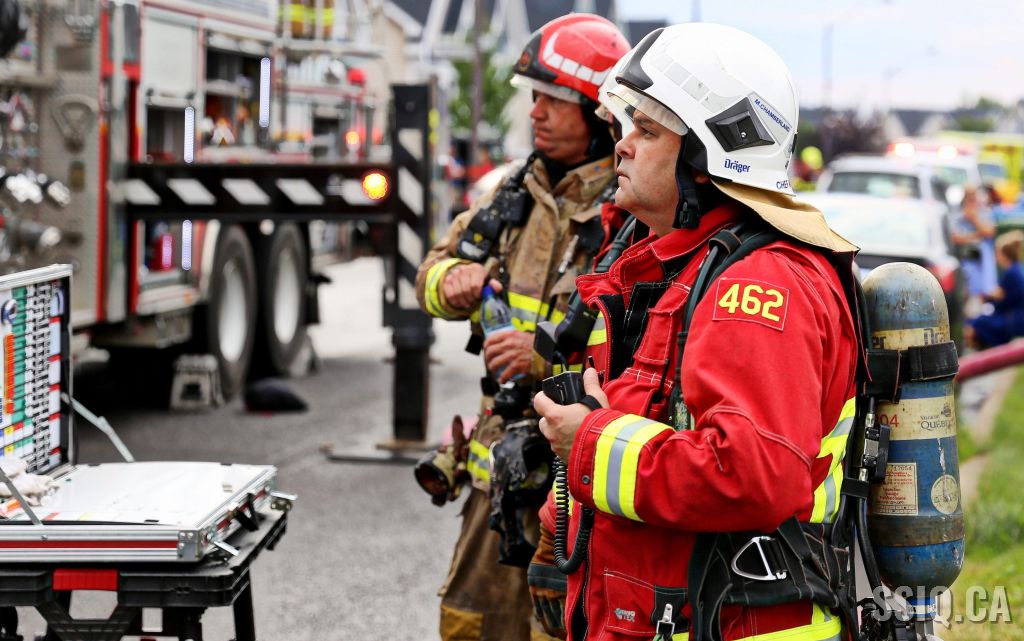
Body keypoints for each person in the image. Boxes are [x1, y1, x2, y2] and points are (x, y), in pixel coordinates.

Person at [532, 23, 862, 641]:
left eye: (648, 131)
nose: (622, 146)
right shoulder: (669, 269)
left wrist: (589, 444)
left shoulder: (759, 284)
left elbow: (752, 474)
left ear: (709, 156)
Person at [415, 14, 630, 641]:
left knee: (559, 626)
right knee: (473, 623)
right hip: (497, 474)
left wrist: (543, 361)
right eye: (534, 97)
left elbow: (645, 349)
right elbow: (430, 273)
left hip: (577, 479)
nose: (536, 112)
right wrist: (452, 280)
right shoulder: (512, 193)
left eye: (553, 100)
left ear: (597, 112)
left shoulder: (630, 213)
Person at [966, 230, 1024, 348]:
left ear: (1004, 254)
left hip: (1013, 321)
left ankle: (983, 356)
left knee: (974, 323)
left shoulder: (1012, 273)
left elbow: (998, 295)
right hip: (1014, 318)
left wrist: (986, 296)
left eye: (997, 253)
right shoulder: (1016, 270)